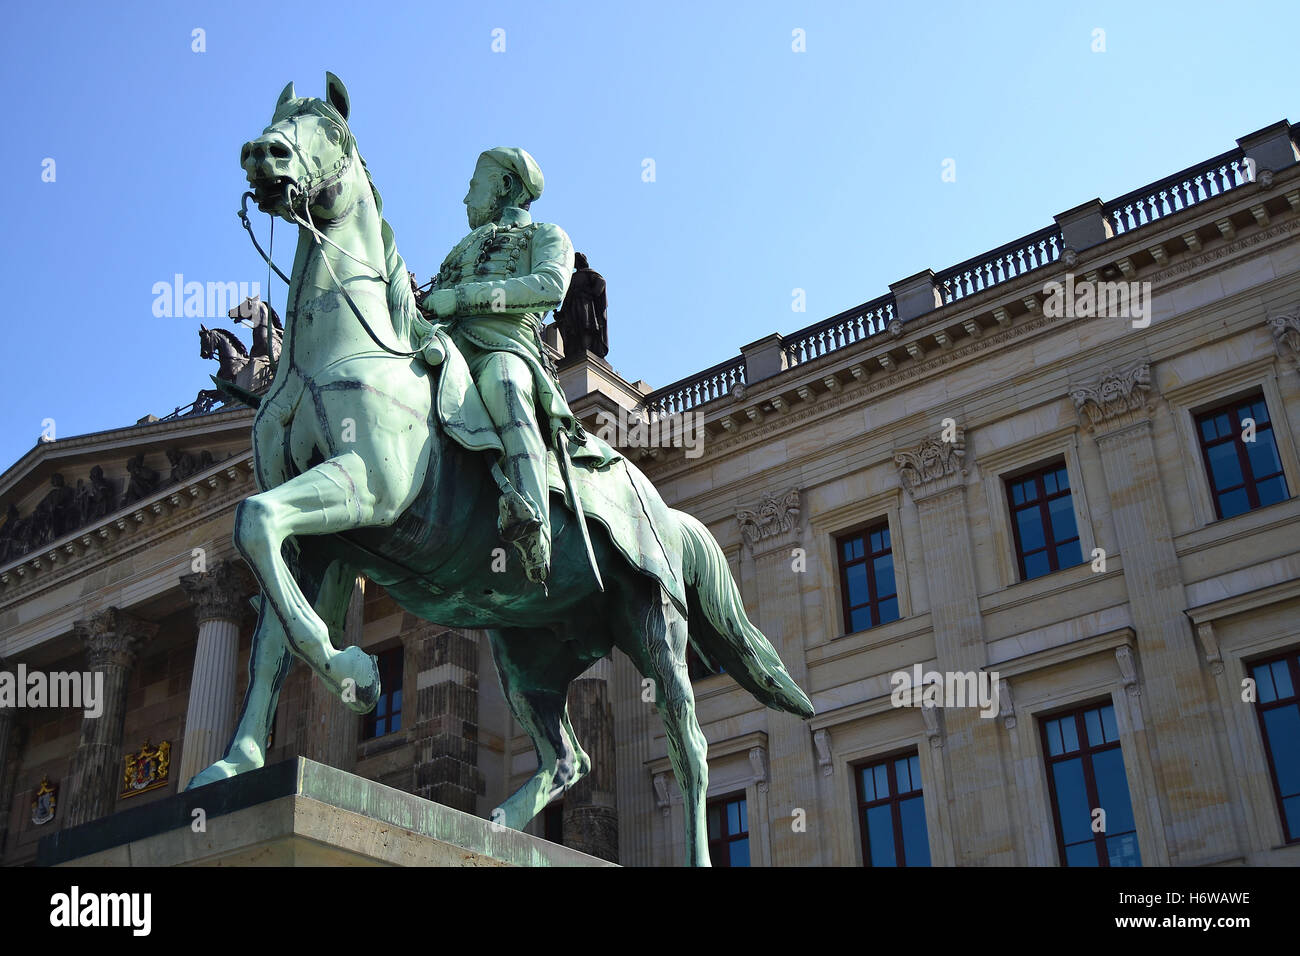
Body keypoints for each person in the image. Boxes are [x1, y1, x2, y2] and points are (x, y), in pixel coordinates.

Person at [420, 148, 583, 585]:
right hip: (445, 342)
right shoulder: (463, 247)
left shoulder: (547, 235)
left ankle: (534, 522)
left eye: (474, 185)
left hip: (503, 343)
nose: (466, 198)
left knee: (504, 386)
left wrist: (461, 300)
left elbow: (550, 287)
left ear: (507, 186)